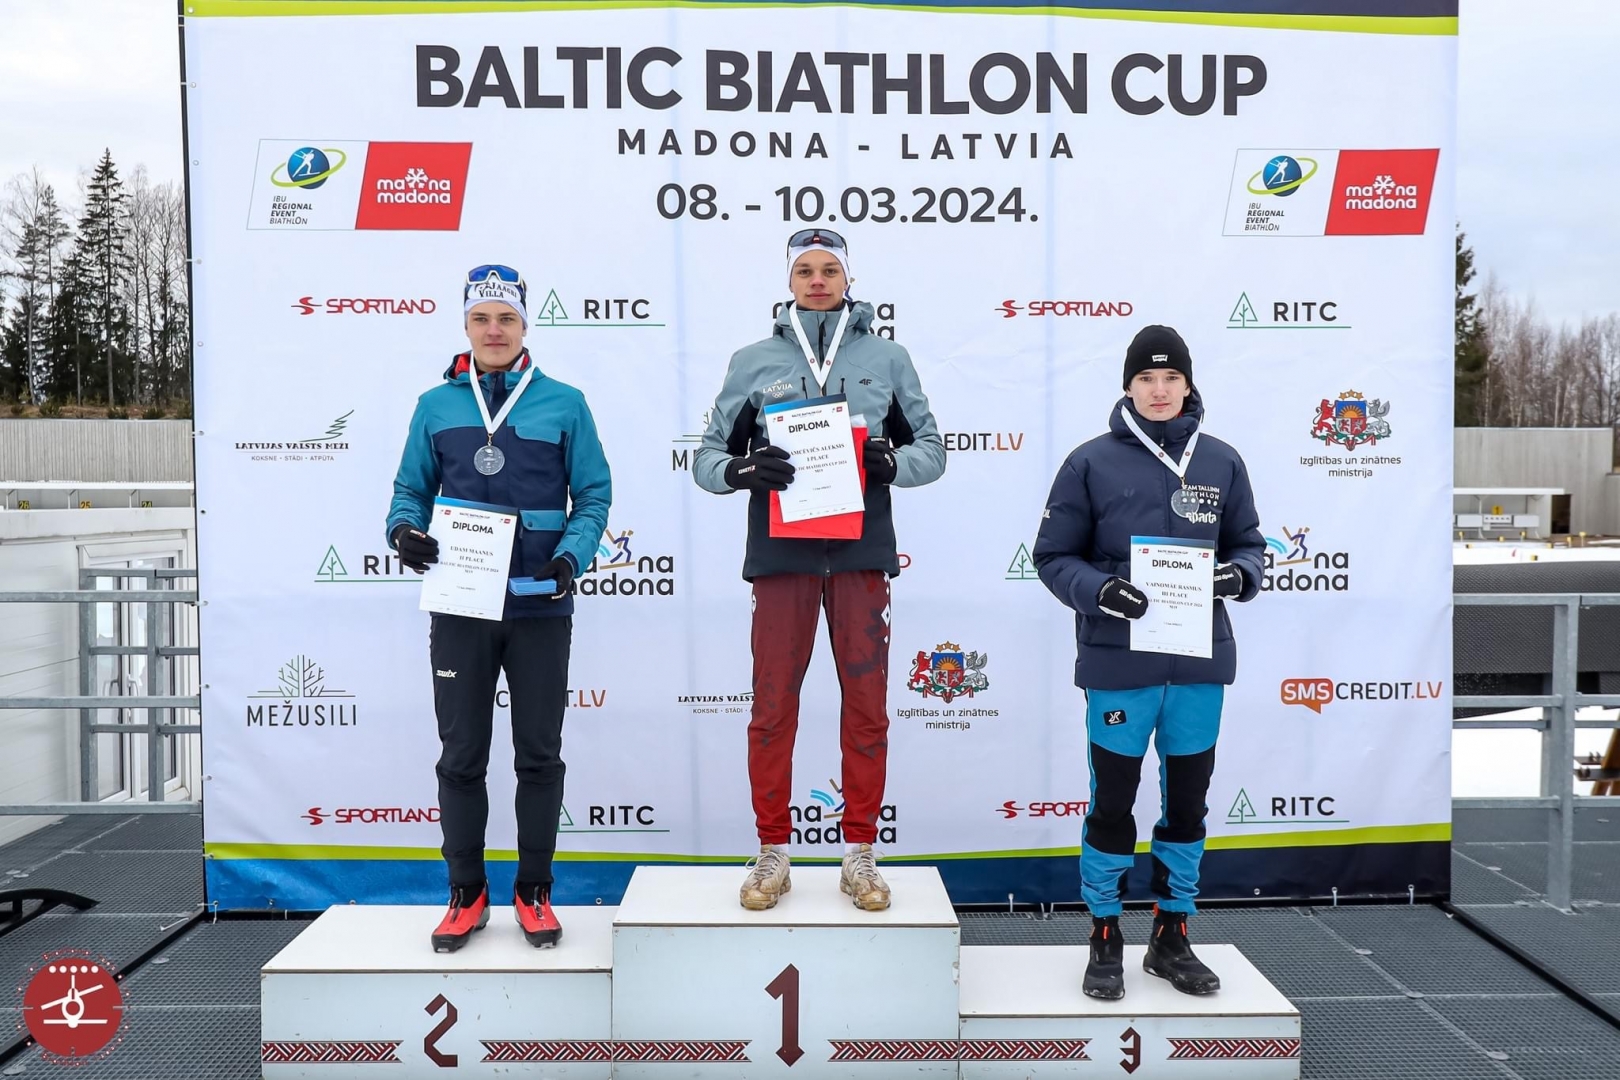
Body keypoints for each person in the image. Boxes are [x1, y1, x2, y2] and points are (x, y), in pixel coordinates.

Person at [694, 230, 945, 912]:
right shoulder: (753, 361)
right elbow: (707, 457)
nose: (816, 280)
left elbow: (933, 449)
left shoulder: (887, 358)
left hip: (861, 554)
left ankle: (859, 853)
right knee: (773, 707)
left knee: (866, 708)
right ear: (789, 281)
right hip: (783, 558)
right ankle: (772, 851)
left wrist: (893, 464)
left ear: (847, 278)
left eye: (829, 269)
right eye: (804, 269)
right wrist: (743, 470)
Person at [1032, 325, 1263, 999]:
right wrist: (1100, 591)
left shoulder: (1220, 461)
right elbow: (1053, 557)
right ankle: (1105, 931)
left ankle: (1172, 933)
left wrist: (1238, 576)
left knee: (1187, 803)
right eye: (1146, 379)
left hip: (1198, 667)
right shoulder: (1089, 462)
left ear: (1188, 385)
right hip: (1119, 666)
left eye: (1171, 379)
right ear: (1128, 386)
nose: (1159, 391)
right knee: (1113, 802)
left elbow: (1250, 544)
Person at [386, 264, 611, 952]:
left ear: (523, 325)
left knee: (539, 755)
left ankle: (534, 892)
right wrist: (403, 533)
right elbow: (408, 491)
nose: (493, 330)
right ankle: (466, 894)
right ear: (466, 324)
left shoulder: (564, 402)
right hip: (460, 607)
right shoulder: (435, 405)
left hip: (540, 605)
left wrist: (571, 556)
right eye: (481, 318)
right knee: (461, 756)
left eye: (506, 318)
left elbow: (594, 495)